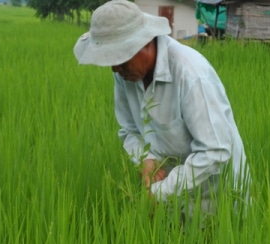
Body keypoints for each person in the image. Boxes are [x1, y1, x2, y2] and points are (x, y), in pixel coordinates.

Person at [74, 0, 250, 221]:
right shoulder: (125, 74)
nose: (115, 68)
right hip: (172, 199)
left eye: (120, 57)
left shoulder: (190, 74)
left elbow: (215, 152)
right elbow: (128, 130)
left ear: (145, 42)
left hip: (218, 200)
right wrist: (146, 160)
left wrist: (161, 191)